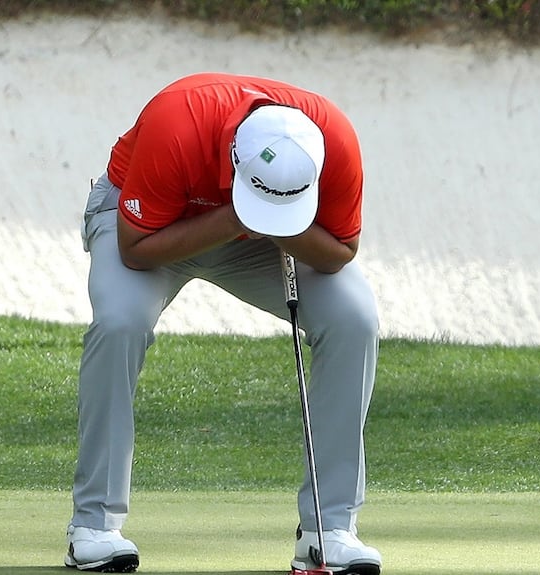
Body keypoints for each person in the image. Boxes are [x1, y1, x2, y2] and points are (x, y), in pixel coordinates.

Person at [65, 72, 382, 574]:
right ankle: (93, 527)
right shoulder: (177, 122)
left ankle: (330, 531)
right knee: (120, 322)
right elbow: (135, 248)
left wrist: (276, 223)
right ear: (233, 156)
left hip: (259, 241)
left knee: (354, 319)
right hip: (150, 226)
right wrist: (237, 218)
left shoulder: (335, 139)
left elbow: (341, 250)